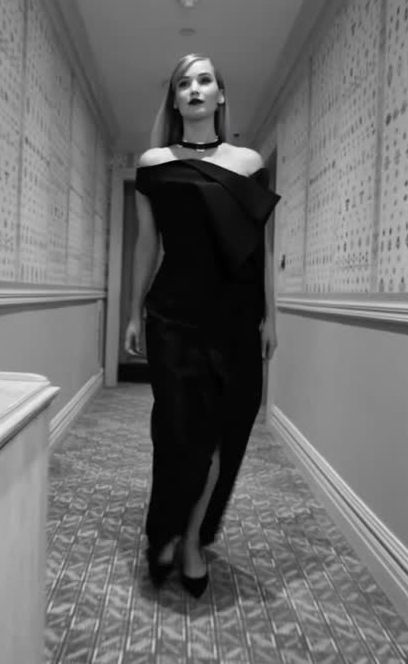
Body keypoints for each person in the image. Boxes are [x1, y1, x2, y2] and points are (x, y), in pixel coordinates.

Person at [124, 53, 280, 597]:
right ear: (174, 99)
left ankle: (191, 539)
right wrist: (133, 311)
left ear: (220, 94)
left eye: (204, 80)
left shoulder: (248, 162)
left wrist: (271, 316)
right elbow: (148, 243)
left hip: (236, 318)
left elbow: (260, 248)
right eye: (183, 83)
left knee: (222, 436)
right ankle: (164, 531)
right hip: (173, 315)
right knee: (176, 434)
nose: (194, 88)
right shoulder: (153, 162)